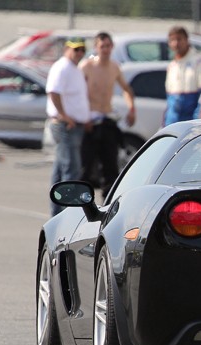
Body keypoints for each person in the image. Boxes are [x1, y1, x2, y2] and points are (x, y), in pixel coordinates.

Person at [79, 32, 136, 197]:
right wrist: (84, 117)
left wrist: (132, 109)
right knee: (86, 167)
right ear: (96, 47)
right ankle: (80, 203)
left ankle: (107, 202)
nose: (105, 49)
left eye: (108, 46)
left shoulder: (114, 67)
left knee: (110, 166)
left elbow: (127, 89)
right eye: (102, 46)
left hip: (106, 119)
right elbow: (78, 94)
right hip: (90, 121)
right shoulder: (87, 67)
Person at [45, 38, 91, 216]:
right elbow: (53, 92)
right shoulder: (62, 66)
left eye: (82, 50)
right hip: (66, 126)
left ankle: (57, 213)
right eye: (76, 49)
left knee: (61, 169)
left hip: (73, 125)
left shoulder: (74, 68)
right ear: (67, 49)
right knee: (71, 169)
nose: (79, 53)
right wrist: (65, 116)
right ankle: (65, 215)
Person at [164, 25, 201, 125]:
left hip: (191, 121)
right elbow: (169, 101)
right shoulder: (172, 66)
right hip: (172, 122)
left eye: (179, 39)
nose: (176, 43)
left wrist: (198, 122)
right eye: (172, 40)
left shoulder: (200, 61)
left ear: (186, 40)